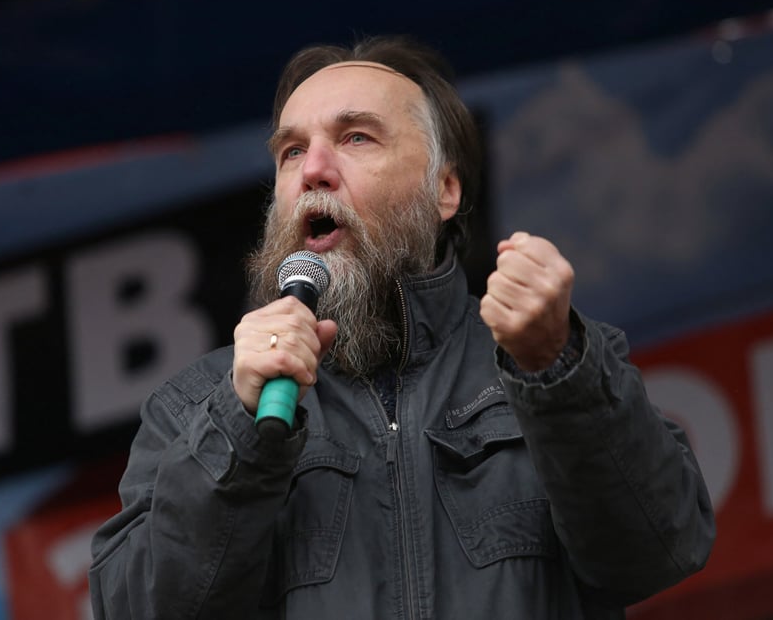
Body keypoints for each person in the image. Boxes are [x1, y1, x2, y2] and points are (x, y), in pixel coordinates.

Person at [88, 35, 715, 619]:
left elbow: (661, 550)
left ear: (445, 189)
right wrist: (237, 424)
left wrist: (557, 369)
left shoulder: (550, 360)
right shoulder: (196, 405)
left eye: (357, 138)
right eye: (292, 151)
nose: (314, 170)